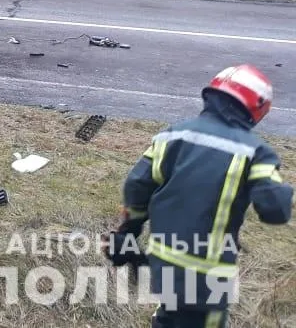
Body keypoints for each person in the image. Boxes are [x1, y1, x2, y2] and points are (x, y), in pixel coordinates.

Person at [104, 64, 293, 328]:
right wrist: (285, 191)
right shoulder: (256, 153)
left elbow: (137, 187)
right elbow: (275, 211)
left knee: (171, 314)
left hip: (161, 262)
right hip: (207, 274)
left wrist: (128, 232)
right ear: (256, 108)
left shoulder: (171, 136)